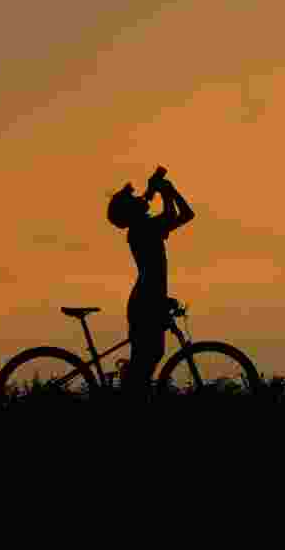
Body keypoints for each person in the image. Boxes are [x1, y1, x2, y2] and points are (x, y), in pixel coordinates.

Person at [106, 169, 195, 403]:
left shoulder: (142, 228)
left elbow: (185, 214)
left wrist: (165, 190)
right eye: (135, 201)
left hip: (147, 297)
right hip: (147, 299)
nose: (141, 200)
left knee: (149, 358)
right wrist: (168, 191)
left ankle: (130, 397)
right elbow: (178, 213)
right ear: (132, 212)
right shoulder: (144, 229)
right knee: (147, 360)